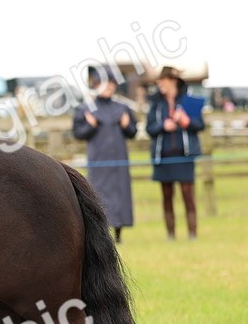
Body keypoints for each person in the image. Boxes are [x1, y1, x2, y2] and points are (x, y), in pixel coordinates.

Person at [71, 66, 137, 243]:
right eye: (105, 84)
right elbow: (78, 133)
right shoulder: (87, 108)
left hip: (119, 161)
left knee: (120, 194)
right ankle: (101, 232)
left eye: (112, 84)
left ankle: (119, 233)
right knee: (98, 194)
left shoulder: (123, 108)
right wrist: (90, 125)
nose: (109, 87)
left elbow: (133, 132)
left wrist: (126, 124)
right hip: (98, 161)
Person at [147, 66, 205, 240]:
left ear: (173, 81)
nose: (160, 84)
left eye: (163, 81)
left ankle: (192, 234)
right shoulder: (156, 105)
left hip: (184, 155)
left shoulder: (188, 102)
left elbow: (200, 125)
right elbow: (149, 128)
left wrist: (187, 122)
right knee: (167, 196)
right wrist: (162, 126)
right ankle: (170, 235)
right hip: (164, 156)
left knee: (188, 194)